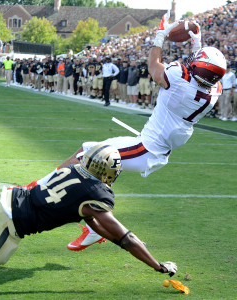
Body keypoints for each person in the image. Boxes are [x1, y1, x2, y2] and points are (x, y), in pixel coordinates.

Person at [65, 11, 226, 251]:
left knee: (86, 155)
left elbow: (153, 65)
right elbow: (201, 72)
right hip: (152, 144)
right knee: (97, 165)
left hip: (146, 149)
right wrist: (196, 42)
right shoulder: (215, 92)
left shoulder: (180, 79)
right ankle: (91, 228)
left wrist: (159, 37)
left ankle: (42, 187)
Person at [0, 144, 177, 278]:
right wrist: (158, 266)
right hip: (9, 221)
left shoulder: (73, 168)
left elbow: (95, 223)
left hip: (6, 200)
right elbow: (127, 238)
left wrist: (121, 243)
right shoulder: (96, 193)